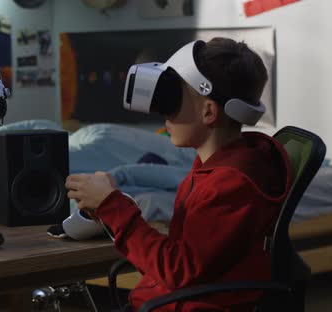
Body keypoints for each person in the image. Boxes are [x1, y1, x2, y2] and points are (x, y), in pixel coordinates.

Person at [65, 37, 292, 311]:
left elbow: (179, 269)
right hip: (166, 300)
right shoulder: (213, 166)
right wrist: (107, 208)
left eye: (174, 101)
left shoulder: (230, 184)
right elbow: (185, 257)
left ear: (209, 111)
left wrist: (112, 206)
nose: (164, 115)